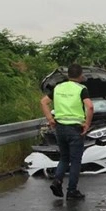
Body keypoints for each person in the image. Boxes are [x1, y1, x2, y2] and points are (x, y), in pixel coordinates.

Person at [40, 64, 93, 200]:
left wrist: (50, 119)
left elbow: (44, 102)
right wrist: (87, 124)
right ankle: (72, 191)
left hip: (60, 127)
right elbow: (90, 107)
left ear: (68, 75)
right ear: (81, 75)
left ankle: (57, 181)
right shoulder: (81, 89)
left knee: (64, 157)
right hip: (75, 128)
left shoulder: (58, 87)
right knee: (75, 161)